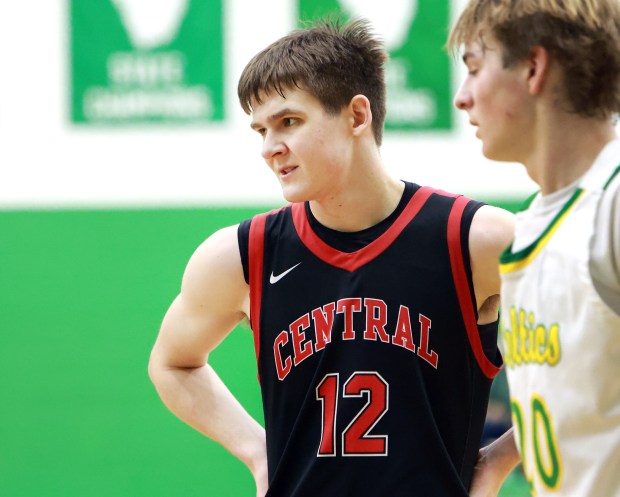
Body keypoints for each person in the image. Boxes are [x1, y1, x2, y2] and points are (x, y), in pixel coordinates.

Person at [148, 17, 515, 497]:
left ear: (357, 117)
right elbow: (173, 363)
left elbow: (595, 348)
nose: (269, 148)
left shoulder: (475, 240)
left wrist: (501, 459)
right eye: (260, 129)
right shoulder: (241, 255)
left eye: (289, 122)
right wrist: (258, 452)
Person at [449, 0, 620, 495]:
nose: (462, 98)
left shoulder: (609, 207)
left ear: (533, 67)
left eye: (475, 69)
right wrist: (499, 459)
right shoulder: (530, 227)